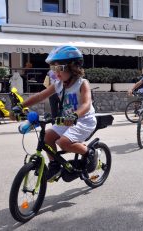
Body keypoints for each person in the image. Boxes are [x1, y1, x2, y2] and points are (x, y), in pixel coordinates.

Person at [10, 45, 97, 182]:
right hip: (66, 120)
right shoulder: (58, 84)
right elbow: (39, 96)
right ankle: (55, 165)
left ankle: (90, 153)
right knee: (47, 138)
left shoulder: (82, 83)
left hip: (84, 120)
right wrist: (20, 106)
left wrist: (74, 115)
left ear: (73, 68)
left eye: (60, 68)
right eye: (53, 68)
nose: (56, 72)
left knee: (63, 142)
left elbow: (86, 104)